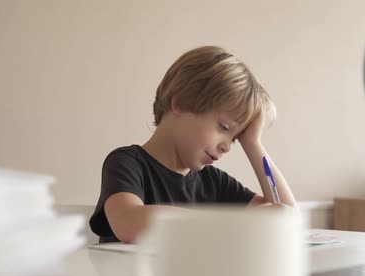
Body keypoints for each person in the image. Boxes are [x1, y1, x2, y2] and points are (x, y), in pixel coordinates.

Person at [89, 46, 297, 243]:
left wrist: (253, 143)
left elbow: (287, 219)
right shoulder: (127, 162)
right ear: (180, 103)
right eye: (224, 127)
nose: (227, 147)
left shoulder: (214, 182)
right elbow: (128, 223)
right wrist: (230, 222)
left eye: (235, 138)